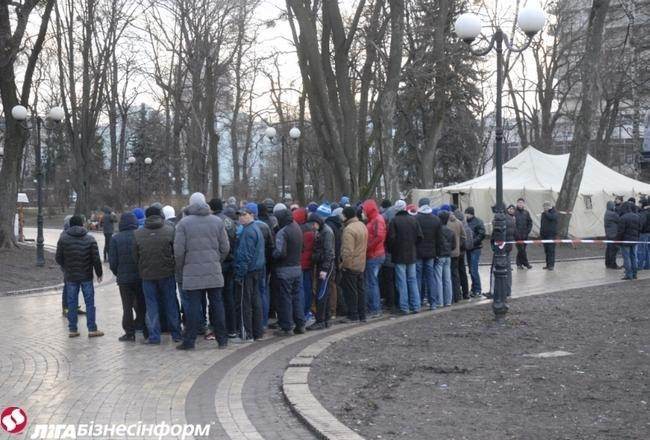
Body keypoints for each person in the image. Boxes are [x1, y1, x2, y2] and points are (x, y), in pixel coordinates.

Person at [174, 192, 230, 350]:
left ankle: (190, 341)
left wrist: (183, 266)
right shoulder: (217, 221)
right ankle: (222, 340)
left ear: (190, 204)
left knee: (192, 307)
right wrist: (216, 261)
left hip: (192, 272)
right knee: (217, 305)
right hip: (214, 270)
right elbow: (225, 248)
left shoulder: (183, 224)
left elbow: (179, 251)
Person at [134, 205, 182, 344]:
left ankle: (154, 336)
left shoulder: (138, 234)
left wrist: (142, 268)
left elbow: (135, 256)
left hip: (147, 275)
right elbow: (176, 252)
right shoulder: (170, 230)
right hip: (167, 273)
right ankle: (176, 334)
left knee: (151, 306)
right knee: (171, 303)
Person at [55, 215, 104, 338]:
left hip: (70, 275)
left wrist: (66, 267)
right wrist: (99, 273)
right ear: (82, 224)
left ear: (70, 225)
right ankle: (92, 329)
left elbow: (58, 258)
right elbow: (96, 259)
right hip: (86, 275)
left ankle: (72, 329)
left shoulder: (63, 239)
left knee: (71, 302)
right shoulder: (90, 239)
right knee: (89, 302)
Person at [109, 211, 146, 342]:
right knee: (142, 304)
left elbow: (112, 262)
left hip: (124, 279)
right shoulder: (139, 235)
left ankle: (129, 333)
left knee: (127, 306)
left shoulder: (115, 238)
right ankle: (143, 327)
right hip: (140, 276)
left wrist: (118, 273)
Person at [233, 205, 265, 341]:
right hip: (257, 270)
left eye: (243, 214)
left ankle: (246, 333)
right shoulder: (256, 229)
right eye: (239, 215)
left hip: (248, 271)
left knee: (245, 303)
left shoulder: (248, 231)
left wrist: (239, 274)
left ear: (251, 215)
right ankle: (257, 332)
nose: (240, 217)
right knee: (255, 301)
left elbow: (244, 255)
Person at [272, 208, 305, 336]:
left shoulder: (283, 232)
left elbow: (280, 252)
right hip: (297, 267)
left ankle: (287, 327)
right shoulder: (297, 228)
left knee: (285, 298)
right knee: (296, 298)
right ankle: (300, 324)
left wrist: (272, 254)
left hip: (284, 270)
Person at [388, 200, 422, 314]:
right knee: (412, 280)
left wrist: (392, 250)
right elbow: (419, 237)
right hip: (411, 254)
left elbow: (391, 239)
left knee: (401, 281)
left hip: (399, 255)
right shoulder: (413, 220)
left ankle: (404, 306)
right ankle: (416, 305)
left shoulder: (394, 221)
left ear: (396, 209)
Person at [307, 205, 336, 330]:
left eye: (313, 224)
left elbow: (329, 253)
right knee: (324, 293)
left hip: (326, 267)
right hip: (323, 264)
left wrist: (324, 269)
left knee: (322, 293)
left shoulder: (327, 232)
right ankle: (326, 318)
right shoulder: (321, 231)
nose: (312, 227)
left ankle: (321, 320)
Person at [339, 206, 368, 322]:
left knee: (351, 292)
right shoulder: (362, 225)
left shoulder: (349, 229)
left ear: (346, 216)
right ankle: (362, 314)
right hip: (361, 263)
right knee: (360, 290)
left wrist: (343, 265)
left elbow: (347, 251)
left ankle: (353, 315)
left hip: (351, 265)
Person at [414, 200, 442, 310]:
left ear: (419, 205)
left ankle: (419, 301)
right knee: (430, 277)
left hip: (418, 252)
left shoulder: (416, 219)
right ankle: (433, 302)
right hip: (431, 252)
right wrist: (438, 253)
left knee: (418, 277)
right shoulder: (436, 219)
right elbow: (439, 239)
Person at [362, 199, 387, 318]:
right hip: (375, 254)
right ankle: (373, 307)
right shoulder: (374, 219)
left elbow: (379, 236)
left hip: (374, 255)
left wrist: (367, 247)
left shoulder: (377, 219)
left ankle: (375, 308)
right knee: (372, 281)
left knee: (372, 282)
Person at [293, 207, 315, 321]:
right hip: (309, 263)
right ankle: (306, 311)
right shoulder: (311, 229)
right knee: (307, 288)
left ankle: (301, 312)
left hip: (300, 263)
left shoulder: (298, 230)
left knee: (300, 290)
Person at [325, 207, 344, 319]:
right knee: (335, 285)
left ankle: (332, 310)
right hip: (337, 259)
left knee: (332, 285)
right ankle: (336, 309)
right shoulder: (338, 227)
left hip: (332, 259)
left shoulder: (329, 227)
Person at [446, 206, 466, 303]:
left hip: (447, 252)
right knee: (455, 274)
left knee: (447, 275)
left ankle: (450, 296)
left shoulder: (445, 223)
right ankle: (457, 295)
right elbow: (463, 236)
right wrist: (458, 246)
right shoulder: (459, 222)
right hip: (456, 252)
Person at [464, 207, 485, 297]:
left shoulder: (478, 222)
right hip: (469, 249)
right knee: (471, 269)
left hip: (475, 248)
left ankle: (477, 289)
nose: (465, 215)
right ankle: (474, 288)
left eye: (466, 214)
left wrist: (472, 242)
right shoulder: (466, 222)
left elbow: (482, 234)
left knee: (473, 269)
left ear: (470, 213)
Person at [617, 201, 640, 280]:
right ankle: (635, 274)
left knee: (627, 258)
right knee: (633, 257)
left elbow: (620, 231)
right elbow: (639, 229)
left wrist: (618, 240)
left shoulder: (623, 218)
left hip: (625, 241)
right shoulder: (636, 216)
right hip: (634, 240)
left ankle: (628, 274)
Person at [453, 209, 471, 300]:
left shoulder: (456, 225)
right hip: (463, 252)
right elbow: (466, 241)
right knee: (463, 272)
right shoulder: (466, 226)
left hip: (457, 252)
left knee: (456, 273)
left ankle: (458, 293)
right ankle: (466, 292)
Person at [514, 198, 533, 269]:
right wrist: (516, 233)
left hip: (525, 235)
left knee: (522, 250)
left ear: (524, 204)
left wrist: (527, 231)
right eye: (519, 202)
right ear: (517, 203)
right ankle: (526, 263)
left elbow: (530, 222)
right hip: (517, 236)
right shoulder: (514, 212)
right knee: (521, 249)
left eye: (521, 203)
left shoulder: (526, 212)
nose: (520, 204)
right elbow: (513, 224)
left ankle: (519, 264)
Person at [540, 201, 558, 270]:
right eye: (544, 206)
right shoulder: (543, 213)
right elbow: (542, 223)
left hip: (551, 235)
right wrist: (541, 233)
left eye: (546, 206)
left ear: (550, 206)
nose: (545, 207)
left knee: (551, 250)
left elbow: (552, 218)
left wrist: (546, 212)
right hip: (544, 235)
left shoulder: (554, 212)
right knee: (546, 250)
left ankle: (551, 265)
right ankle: (548, 264)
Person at [604, 201, 620, 269]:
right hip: (613, 234)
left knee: (608, 250)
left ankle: (608, 263)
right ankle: (613, 265)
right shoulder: (612, 214)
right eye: (613, 205)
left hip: (608, 234)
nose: (614, 207)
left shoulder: (607, 213)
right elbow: (619, 219)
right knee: (613, 250)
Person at [637, 197, 650, 270]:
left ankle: (640, 265)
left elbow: (641, 224)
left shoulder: (644, 213)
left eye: (639, 203)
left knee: (641, 250)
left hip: (644, 233)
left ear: (643, 204)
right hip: (648, 233)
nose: (638, 204)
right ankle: (648, 265)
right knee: (648, 250)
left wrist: (639, 230)